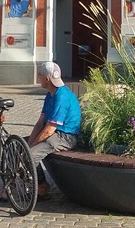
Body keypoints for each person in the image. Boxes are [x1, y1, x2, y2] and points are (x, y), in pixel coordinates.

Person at [24, 62, 81, 202]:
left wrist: (29, 149)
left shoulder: (61, 96)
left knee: (30, 156)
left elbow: (49, 130)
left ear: (47, 78)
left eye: (40, 75)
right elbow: (40, 123)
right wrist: (28, 143)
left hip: (66, 136)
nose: (38, 77)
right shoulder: (50, 95)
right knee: (20, 145)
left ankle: (42, 187)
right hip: (54, 133)